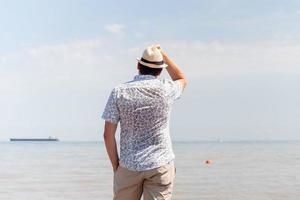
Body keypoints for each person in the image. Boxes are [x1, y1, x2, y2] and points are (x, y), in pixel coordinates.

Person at [102, 44, 187, 200]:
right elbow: (181, 79)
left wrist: (116, 166)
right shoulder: (166, 89)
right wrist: (163, 55)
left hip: (128, 165)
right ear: (161, 70)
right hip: (160, 164)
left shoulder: (119, 92)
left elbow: (108, 135)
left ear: (138, 66)